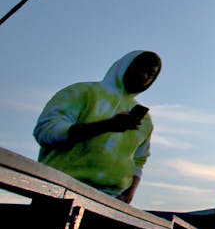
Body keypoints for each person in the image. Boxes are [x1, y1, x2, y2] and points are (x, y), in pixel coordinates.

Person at [33, 50, 161, 203]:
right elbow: (46, 131)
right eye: (140, 68)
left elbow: (139, 160)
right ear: (124, 65)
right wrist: (107, 126)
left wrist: (128, 194)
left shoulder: (145, 121)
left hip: (110, 201)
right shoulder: (82, 92)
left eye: (151, 74)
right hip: (58, 190)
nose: (144, 76)